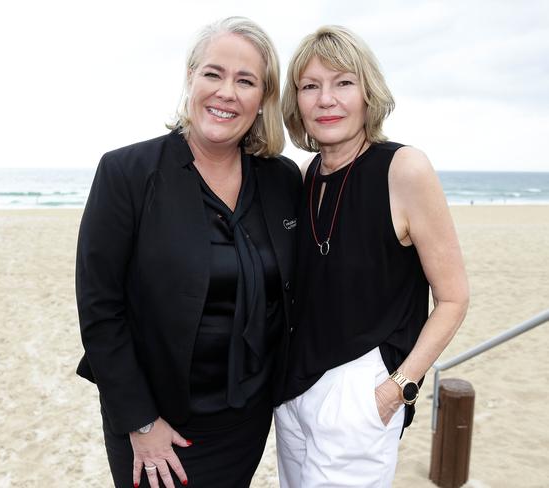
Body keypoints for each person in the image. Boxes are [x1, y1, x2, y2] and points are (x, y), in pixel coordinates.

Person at [75, 17, 301, 488]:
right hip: (157, 425)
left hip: (244, 421)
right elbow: (100, 310)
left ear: (262, 100)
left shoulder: (282, 179)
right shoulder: (127, 173)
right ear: (190, 78)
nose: (226, 92)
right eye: (213, 74)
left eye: (246, 81)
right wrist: (140, 422)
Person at [274, 26, 470, 487]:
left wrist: (397, 387)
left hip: (361, 391)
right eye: (310, 86)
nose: (326, 99)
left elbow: (454, 299)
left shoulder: (404, 168)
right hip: (293, 391)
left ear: (368, 93)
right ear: (296, 103)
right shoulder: (304, 175)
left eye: (343, 82)